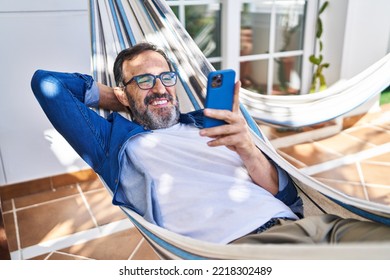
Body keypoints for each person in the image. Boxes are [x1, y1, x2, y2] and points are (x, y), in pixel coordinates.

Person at [31, 42, 390, 245]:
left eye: (165, 77)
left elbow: (287, 198)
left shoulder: (211, 119)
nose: (159, 88)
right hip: (239, 250)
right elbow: (48, 85)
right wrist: (120, 98)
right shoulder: (114, 144)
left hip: (315, 227)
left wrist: (247, 147)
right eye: (144, 80)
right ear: (121, 94)